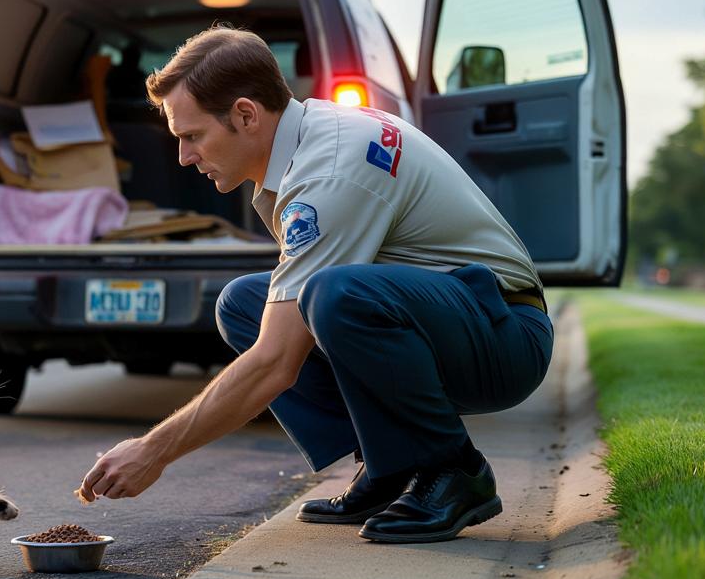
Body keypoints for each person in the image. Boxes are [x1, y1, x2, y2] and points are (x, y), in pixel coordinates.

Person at [76, 27, 553, 543]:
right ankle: (389, 465)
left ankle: (454, 471)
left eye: (192, 136)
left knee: (333, 296)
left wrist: (154, 450)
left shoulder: (328, 174)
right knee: (244, 302)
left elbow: (276, 363)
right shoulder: (312, 134)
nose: (184, 157)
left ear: (245, 114)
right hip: (457, 317)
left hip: (505, 335)